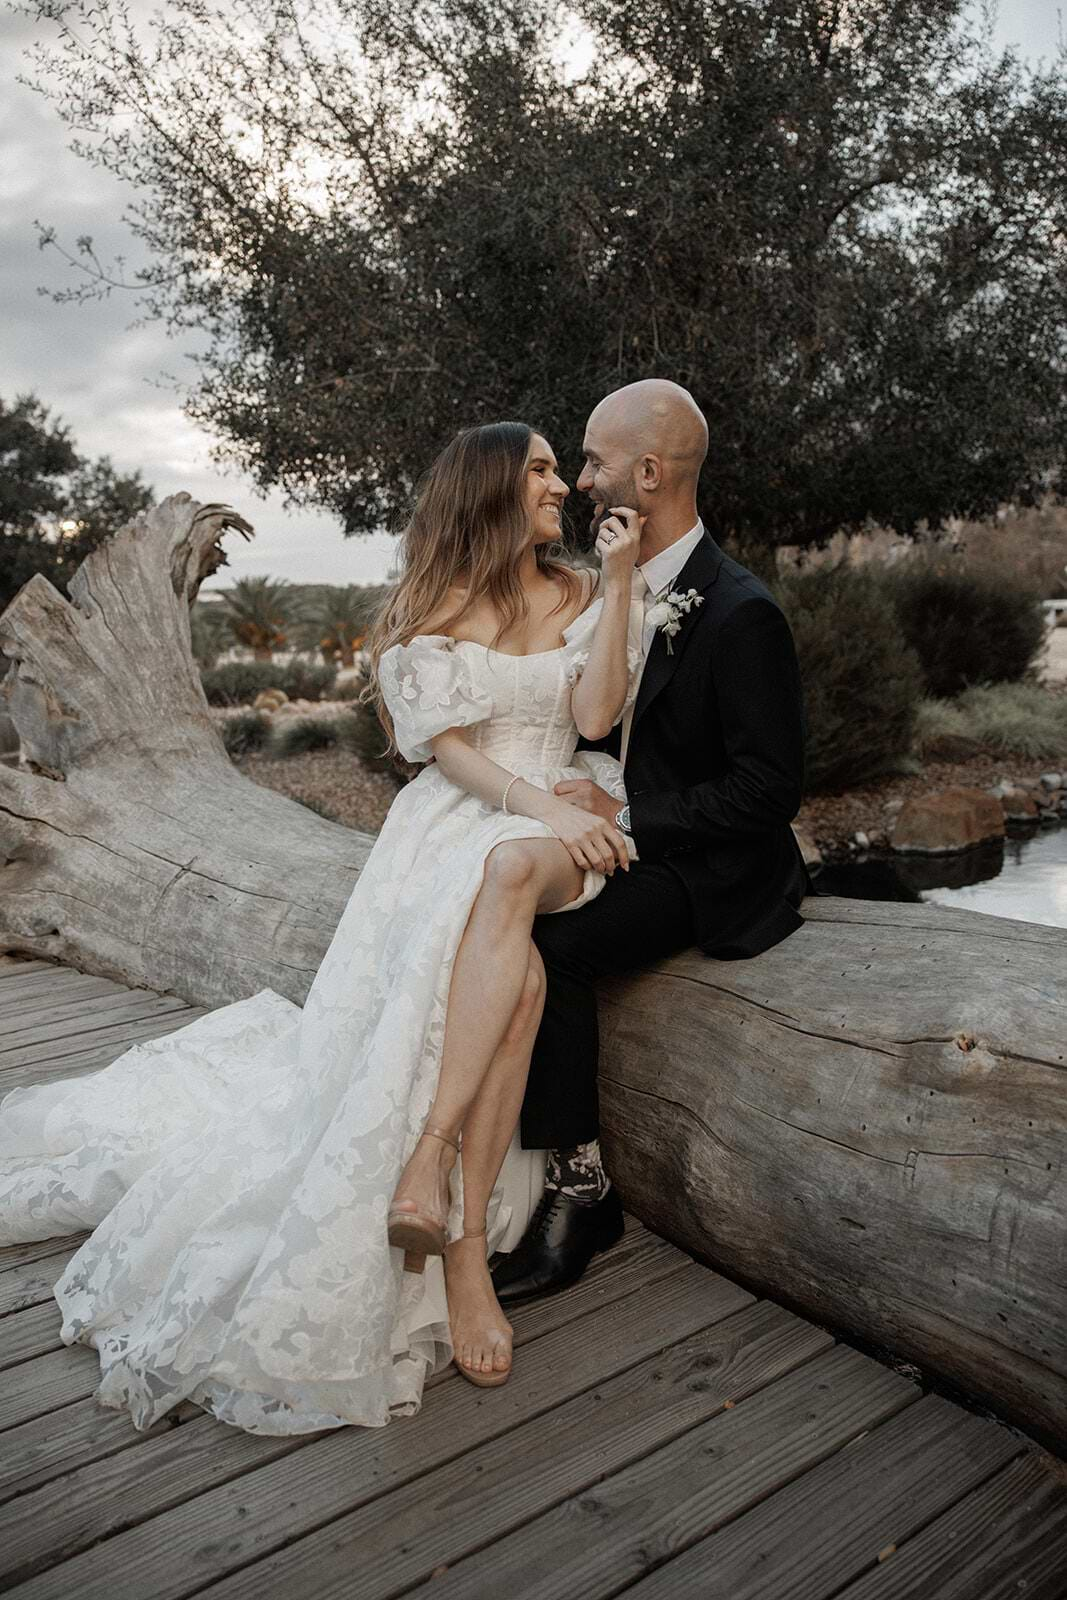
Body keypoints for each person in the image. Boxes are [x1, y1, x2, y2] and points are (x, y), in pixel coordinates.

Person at [0, 420, 646, 1433]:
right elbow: (450, 755)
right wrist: (536, 804)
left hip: (558, 814)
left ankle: (428, 1160)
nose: (560, 483)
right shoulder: (434, 607)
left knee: (506, 887)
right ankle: (463, 1244)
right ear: (488, 490)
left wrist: (619, 591)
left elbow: (599, 714)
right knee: (515, 982)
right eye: (538, 471)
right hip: (465, 815)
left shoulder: (577, 589)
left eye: (557, 469)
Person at [491, 379, 810, 1306]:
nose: (581, 480)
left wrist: (624, 822)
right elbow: (600, 722)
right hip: (625, 828)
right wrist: (580, 786)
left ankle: (581, 1193)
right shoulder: (609, 587)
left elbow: (768, 791)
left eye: (592, 461)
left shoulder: (742, 611)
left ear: (648, 472)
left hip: (710, 865)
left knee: (557, 943)